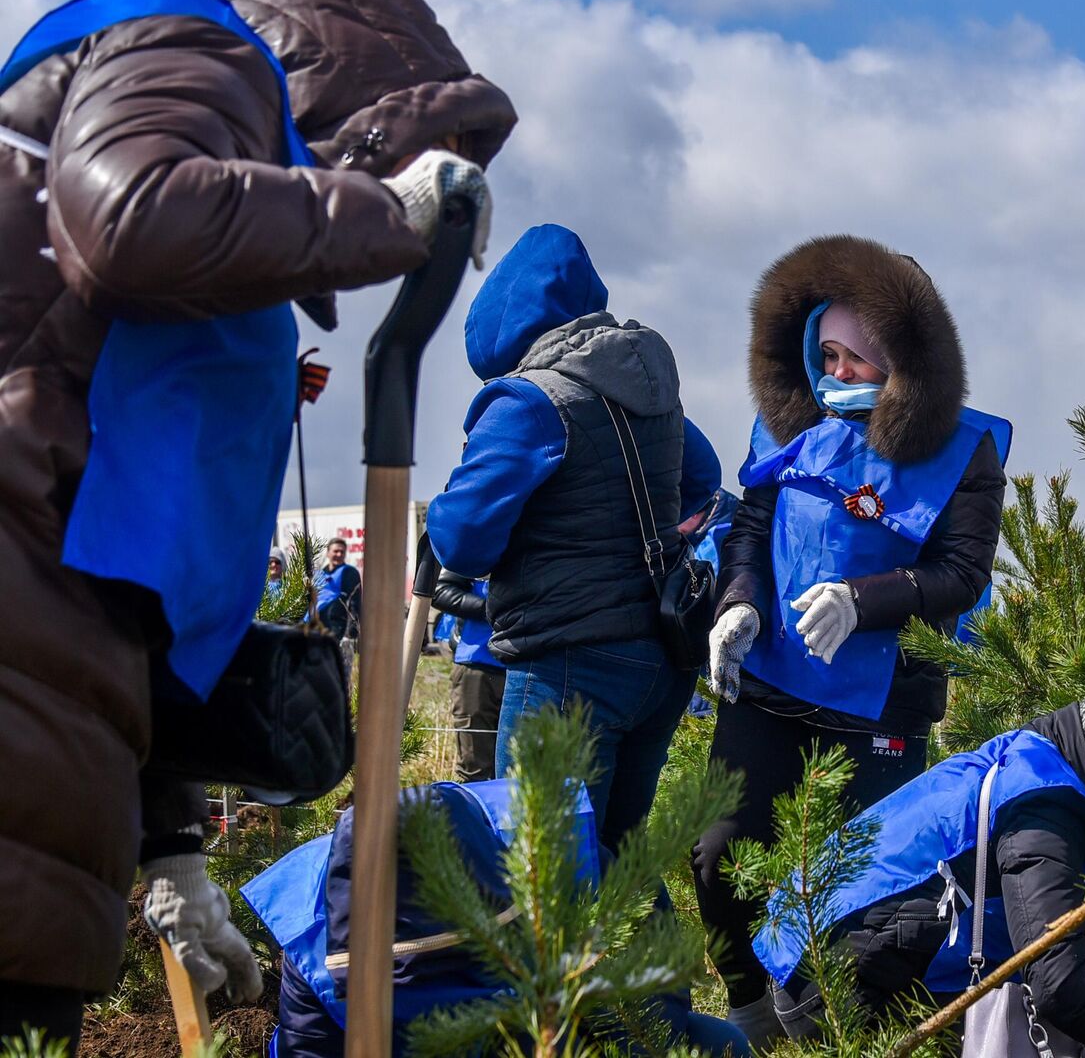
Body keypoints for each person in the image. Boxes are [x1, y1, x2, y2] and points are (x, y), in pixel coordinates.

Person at [0, 0, 513, 1044]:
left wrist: (171, 849)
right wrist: (373, 212)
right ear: (373, 103)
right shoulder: (196, 43)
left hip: (52, 696)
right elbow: (128, 217)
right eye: (404, 153)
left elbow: (128, 571)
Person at [697, 235, 1009, 1044]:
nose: (834, 374)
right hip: (767, 687)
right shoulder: (785, 424)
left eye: (856, 361)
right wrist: (739, 604)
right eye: (824, 354)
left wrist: (863, 601)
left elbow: (962, 571)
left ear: (908, 363)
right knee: (719, 858)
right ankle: (750, 1013)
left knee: (861, 891)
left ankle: (838, 1033)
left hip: (882, 707)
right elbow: (752, 527)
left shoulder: (962, 451)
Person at [757, 655, 1085, 1058]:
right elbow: (1060, 982)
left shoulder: (1053, 761)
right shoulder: (1041, 808)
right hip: (834, 985)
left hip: (852, 954)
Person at [427, 223, 707, 855]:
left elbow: (462, 541)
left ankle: (644, 960)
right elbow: (703, 479)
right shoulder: (648, 387)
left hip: (569, 661)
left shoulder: (528, 402)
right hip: (659, 654)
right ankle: (670, 959)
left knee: (541, 875)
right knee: (616, 860)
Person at [242, 778, 746, 1057]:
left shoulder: (559, 860)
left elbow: (659, 985)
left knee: (720, 1045)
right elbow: (311, 1053)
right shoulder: (311, 939)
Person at [430, 569, 506, 781]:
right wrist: (492, 608)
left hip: (529, 670)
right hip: (477, 667)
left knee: (520, 773)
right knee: (475, 769)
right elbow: (440, 591)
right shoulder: (482, 545)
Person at [313, 537, 362, 640]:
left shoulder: (350, 573)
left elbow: (355, 602)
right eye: (336, 551)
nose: (339, 555)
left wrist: (353, 627)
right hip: (317, 625)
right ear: (328, 553)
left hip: (336, 626)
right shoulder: (319, 574)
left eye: (342, 552)